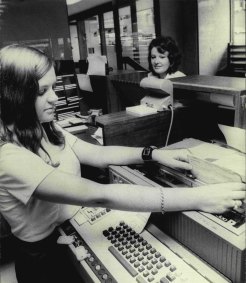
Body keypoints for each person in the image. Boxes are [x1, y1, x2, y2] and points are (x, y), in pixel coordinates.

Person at [0, 44, 244, 283]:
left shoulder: (43, 127)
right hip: (45, 258)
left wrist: (153, 154)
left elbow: (98, 155)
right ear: (15, 95)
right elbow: (100, 195)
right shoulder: (8, 156)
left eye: (53, 87)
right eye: (43, 91)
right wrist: (200, 197)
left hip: (72, 227)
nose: (55, 98)